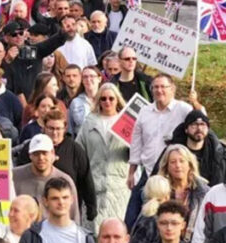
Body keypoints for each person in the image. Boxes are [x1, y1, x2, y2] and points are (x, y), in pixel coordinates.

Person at [129, 74, 196, 189]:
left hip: (174, 175)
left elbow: (201, 126)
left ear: (172, 89)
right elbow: (136, 143)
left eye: (163, 87)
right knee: (134, 206)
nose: (159, 90)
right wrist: (131, 172)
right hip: (148, 172)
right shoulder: (144, 112)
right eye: (155, 87)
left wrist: (195, 103)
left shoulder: (184, 109)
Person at [78, 83, 131, 226]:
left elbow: (137, 152)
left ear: (117, 100)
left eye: (111, 99)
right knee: (93, 232)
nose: (107, 102)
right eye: (103, 99)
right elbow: (80, 151)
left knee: (117, 230)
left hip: (118, 186)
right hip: (94, 185)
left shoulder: (127, 122)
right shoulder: (89, 123)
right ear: (98, 101)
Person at [11, 134, 82, 223]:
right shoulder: (13, 176)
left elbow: (74, 215)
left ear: (52, 153)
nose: (41, 158)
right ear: (30, 155)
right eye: (36, 154)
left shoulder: (65, 181)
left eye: (44, 153)